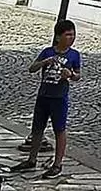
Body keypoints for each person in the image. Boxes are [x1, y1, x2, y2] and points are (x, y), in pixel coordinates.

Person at [15, 20, 81, 179]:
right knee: (37, 129)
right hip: (43, 96)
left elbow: (78, 75)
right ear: (58, 37)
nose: (71, 37)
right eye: (68, 35)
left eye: (73, 34)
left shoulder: (74, 55)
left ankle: (57, 164)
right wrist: (45, 62)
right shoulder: (47, 52)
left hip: (59, 98)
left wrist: (70, 75)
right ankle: (32, 159)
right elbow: (32, 68)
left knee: (59, 130)